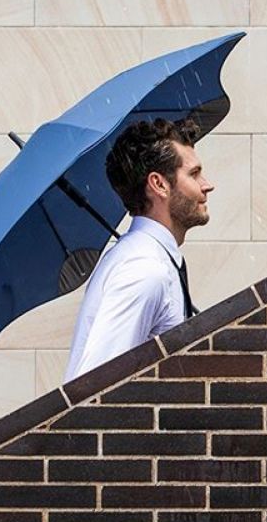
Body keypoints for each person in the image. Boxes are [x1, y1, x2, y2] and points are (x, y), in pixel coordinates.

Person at [64, 117, 214, 381]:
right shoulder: (144, 269)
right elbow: (95, 389)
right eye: (194, 174)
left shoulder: (150, 260)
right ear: (158, 184)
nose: (207, 184)